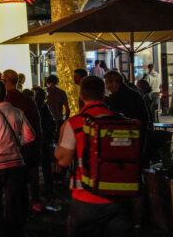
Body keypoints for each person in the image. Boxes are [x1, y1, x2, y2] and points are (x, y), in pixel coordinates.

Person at [55, 76, 133, 236]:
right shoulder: (122, 120)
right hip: (120, 197)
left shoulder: (75, 123)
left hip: (86, 198)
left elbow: (63, 160)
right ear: (103, 95)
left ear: (82, 95)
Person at [0, 80, 35, 237]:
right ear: (5, 94)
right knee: (14, 200)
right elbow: (30, 135)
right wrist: (18, 143)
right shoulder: (17, 111)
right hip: (16, 161)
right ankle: (14, 231)